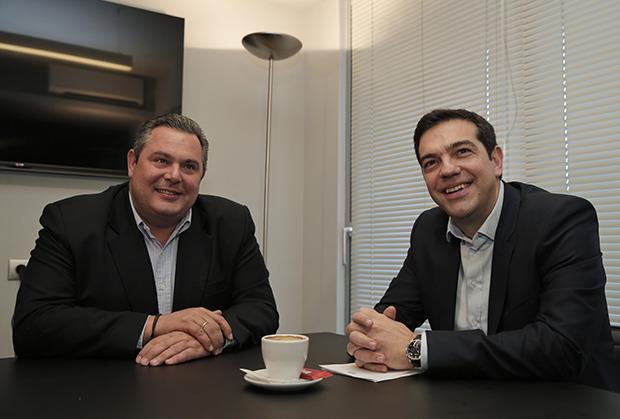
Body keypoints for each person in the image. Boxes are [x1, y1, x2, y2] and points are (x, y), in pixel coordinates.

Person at [346, 109, 619, 392]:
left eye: (462, 152)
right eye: (431, 162)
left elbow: (562, 346)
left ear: (496, 161)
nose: (448, 170)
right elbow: (390, 317)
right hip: (463, 401)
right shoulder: (429, 230)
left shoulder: (560, 220)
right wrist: (366, 334)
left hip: (565, 402)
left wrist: (417, 349)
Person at [13, 114, 278, 366]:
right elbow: (33, 325)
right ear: (133, 163)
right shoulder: (71, 222)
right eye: (161, 160)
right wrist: (155, 325)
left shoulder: (231, 222)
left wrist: (209, 337)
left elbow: (261, 309)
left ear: (201, 175)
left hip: (201, 388)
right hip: (104, 387)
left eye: (189, 166)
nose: (174, 176)